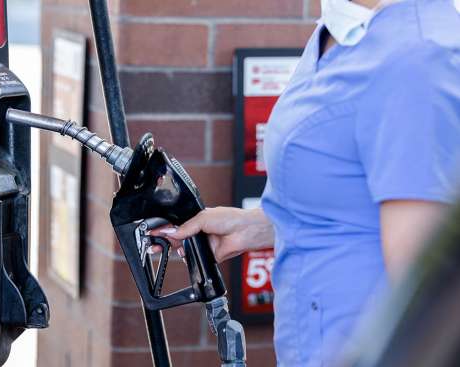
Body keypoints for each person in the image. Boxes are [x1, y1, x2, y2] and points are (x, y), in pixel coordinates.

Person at [153, 0, 460, 365]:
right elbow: (350, 191)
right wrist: (250, 227)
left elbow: (424, 304)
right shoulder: (341, 32)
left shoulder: (417, 60)